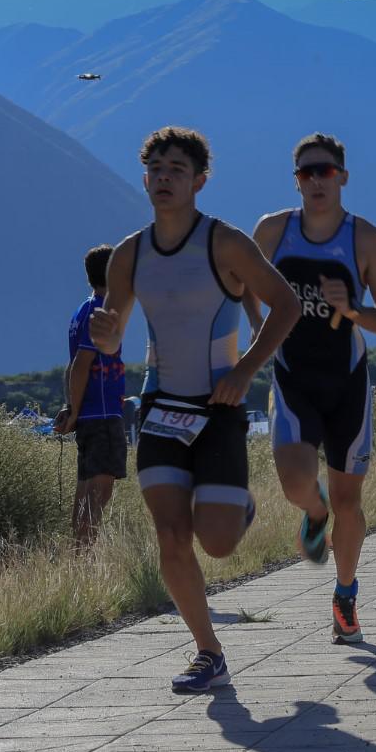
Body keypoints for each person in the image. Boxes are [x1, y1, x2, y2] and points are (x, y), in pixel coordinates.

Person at [88, 126, 300, 693]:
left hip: (219, 405)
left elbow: (285, 306)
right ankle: (208, 651)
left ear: (199, 181)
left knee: (219, 542)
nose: (163, 178)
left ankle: (237, 508)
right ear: (145, 177)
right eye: (155, 168)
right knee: (171, 535)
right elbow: (113, 337)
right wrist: (106, 337)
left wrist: (245, 370)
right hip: (159, 407)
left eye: (176, 169)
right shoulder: (128, 254)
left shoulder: (225, 243)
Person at [246, 133, 376, 645]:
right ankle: (314, 516)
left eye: (326, 171)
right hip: (293, 377)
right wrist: (257, 330)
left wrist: (352, 309)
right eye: (307, 172)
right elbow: (241, 284)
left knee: (349, 500)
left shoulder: (367, 240)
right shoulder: (271, 231)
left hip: (347, 384)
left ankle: (345, 595)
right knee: (294, 480)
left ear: (343, 177)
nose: (316, 180)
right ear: (296, 180)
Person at [54, 244, 126, 548]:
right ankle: (85, 554)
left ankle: (78, 555)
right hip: (102, 413)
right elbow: (82, 365)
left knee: (85, 489)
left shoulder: (81, 310)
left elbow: (71, 366)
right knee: (100, 489)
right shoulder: (100, 312)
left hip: (89, 414)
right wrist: (74, 410)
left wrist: (71, 407)